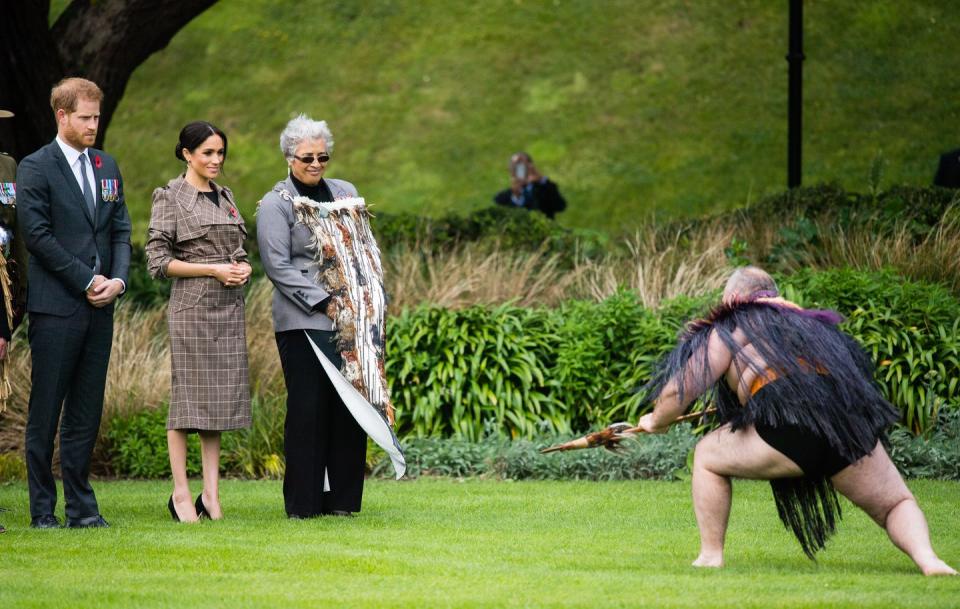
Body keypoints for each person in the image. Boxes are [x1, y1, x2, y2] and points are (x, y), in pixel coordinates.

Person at [635, 266, 956, 575]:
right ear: (771, 295)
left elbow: (683, 386)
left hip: (792, 420)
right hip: (845, 422)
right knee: (895, 502)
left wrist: (657, 420)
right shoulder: (809, 325)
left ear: (733, 298)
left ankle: (710, 556)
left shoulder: (735, 322)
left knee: (706, 454)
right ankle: (928, 560)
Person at [257, 114, 403, 519]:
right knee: (308, 410)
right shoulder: (276, 203)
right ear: (289, 157)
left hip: (352, 323)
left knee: (349, 410)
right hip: (304, 321)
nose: (316, 164)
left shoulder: (345, 192)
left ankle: (342, 501)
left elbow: (361, 248)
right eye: (307, 157)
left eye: (323, 157)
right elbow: (278, 266)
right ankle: (304, 505)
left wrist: (366, 296)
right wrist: (326, 301)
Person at [16, 78, 132, 529]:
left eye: (96, 117)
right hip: (56, 308)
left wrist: (118, 280)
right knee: (46, 411)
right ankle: (42, 510)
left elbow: (120, 229)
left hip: (101, 308)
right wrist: (86, 279)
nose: (93, 125)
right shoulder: (35, 167)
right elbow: (38, 237)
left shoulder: (107, 165)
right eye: (84, 117)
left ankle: (82, 508)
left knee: (86, 410)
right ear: (61, 116)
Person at [146, 121, 252, 523]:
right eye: (207, 152)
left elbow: (237, 250)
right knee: (188, 403)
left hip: (228, 310)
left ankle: (211, 495)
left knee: (218, 404)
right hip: (192, 312)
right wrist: (213, 270)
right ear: (187, 154)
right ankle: (181, 494)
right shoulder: (170, 197)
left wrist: (241, 268)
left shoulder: (225, 196)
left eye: (220, 153)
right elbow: (158, 262)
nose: (216, 160)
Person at [493, 152, 566, 219]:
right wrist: (516, 197)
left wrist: (541, 180)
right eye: (515, 166)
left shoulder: (545, 187)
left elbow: (560, 206)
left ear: (531, 166)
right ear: (511, 171)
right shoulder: (502, 198)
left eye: (523, 165)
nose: (520, 170)